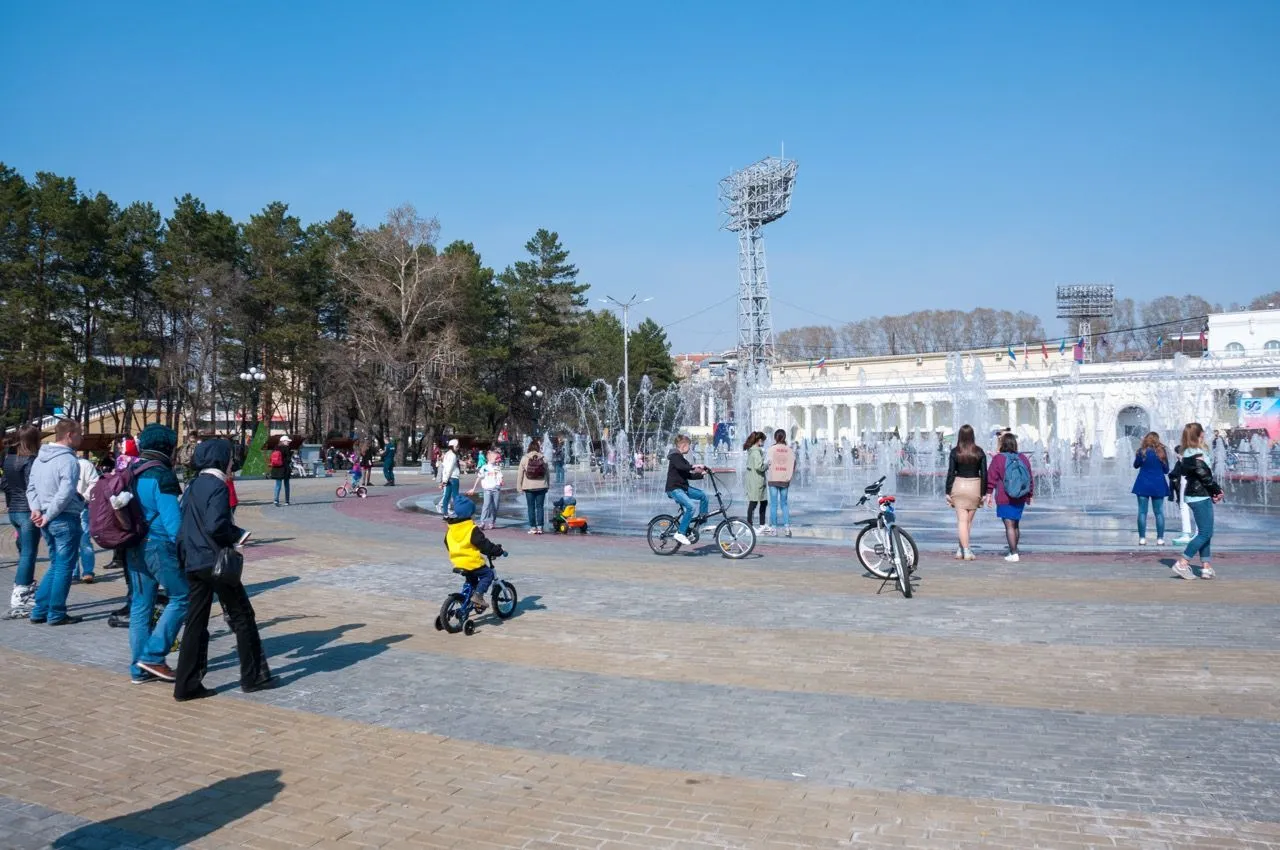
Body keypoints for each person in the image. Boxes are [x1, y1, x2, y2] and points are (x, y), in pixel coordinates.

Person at [173, 439, 272, 701]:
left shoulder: (193, 485)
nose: (232, 463)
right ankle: (253, 677)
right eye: (229, 458)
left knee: (195, 622)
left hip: (193, 561)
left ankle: (185, 685)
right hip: (214, 562)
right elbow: (216, 525)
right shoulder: (217, 486)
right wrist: (238, 535)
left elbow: (184, 527)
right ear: (220, 460)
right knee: (243, 616)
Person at [123, 424, 188, 682]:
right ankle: (153, 656)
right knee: (182, 597)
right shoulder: (162, 475)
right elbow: (174, 523)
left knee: (141, 605)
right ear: (167, 448)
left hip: (133, 543)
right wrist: (186, 550)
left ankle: (139, 668)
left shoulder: (131, 471)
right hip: (158, 545)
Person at [26, 418, 86, 625]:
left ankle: (40, 610)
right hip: (62, 517)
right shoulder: (68, 460)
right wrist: (47, 514)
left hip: (45, 515)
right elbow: (66, 492)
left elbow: (31, 487)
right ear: (70, 435)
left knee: (56, 564)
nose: (81, 437)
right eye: (79, 433)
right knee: (64, 567)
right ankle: (56, 612)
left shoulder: (40, 458)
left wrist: (37, 510)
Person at [1173, 422, 1224, 580]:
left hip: (1198, 494)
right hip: (1199, 495)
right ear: (1199, 434)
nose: (1204, 433)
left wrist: (1212, 491)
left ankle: (1206, 567)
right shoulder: (1195, 453)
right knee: (1205, 533)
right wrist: (1217, 490)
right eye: (1202, 431)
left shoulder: (1188, 451)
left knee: (1205, 532)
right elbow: (1205, 476)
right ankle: (1182, 562)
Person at [4, 424, 42, 619]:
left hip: (15, 511)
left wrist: (10, 505)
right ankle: (21, 594)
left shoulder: (9, 459)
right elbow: (32, 486)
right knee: (29, 553)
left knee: (23, 552)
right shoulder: (31, 461)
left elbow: (5, 485)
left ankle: (23, 587)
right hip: (28, 510)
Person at [444, 492, 505, 614]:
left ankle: (465, 600)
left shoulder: (451, 529)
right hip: (472, 562)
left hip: (457, 561)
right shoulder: (471, 529)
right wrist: (497, 551)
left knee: (471, 581)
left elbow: (447, 543)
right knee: (488, 574)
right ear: (468, 513)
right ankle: (478, 596)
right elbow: (484, 545)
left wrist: (458, 552)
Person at [987, 432, 1034, 563]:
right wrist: (1030, 494)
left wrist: (988, 493)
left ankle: (1013, 553)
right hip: (1020, 496)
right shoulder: (1023, 458)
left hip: (1004, 496)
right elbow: (1029, 477)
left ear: (1002, 444)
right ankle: (1014, 550)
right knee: (1016, 524)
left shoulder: (999, 459)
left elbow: (991, 477)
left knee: (1009, 525)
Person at [945, 424, 989, 560]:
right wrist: (984, 492)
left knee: (962, 522)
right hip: (975, 486)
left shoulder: (955, 452)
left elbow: (951, 472)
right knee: (968, 522)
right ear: (972, 436)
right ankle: (964, 549)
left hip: (959, 486)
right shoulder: (979, 452)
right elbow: (984, 473)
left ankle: (962, 549)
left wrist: (947, 491)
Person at [665, 435, 708, 546]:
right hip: (674, 489)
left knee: (703, 496)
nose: (690, 448)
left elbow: (687, 475)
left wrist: (701, 475)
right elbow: (681, 467)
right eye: (689, 445)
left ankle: (702, 520)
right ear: (684, 445)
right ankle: (680, 533)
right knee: (691, 507)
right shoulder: (674, 455)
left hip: (683, 488)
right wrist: (695, 466)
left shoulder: (681, 458)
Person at [1132, 431, 1170, 545]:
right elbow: (1166, 470)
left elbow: (1135, 465)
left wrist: (1139, 456)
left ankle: (1142, 538)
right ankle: (1160, 539)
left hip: (1143, 484)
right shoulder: (1161, 452)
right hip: (1158, 485)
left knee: (1142, 512)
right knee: (1159, 512)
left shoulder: (1142, 452)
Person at [74, 451, 101, 584]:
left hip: (81, 506)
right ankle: (73, 572)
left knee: (84, 539)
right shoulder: (59, 462)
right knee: (70, 541)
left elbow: (95, 482)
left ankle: (88, 571)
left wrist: (83, 496)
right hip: (63, 508)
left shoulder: (84, 464)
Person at [765, 429, 795, 537]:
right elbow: (793, 464)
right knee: (784, 504)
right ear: (785, 437)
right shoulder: (789, 450)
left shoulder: (771, 449)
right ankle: (787, 528)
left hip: (773, 478)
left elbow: (766, 463)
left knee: (773, 504)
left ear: (775, 437)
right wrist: (789, 475)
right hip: (785, 479)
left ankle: (774, 528)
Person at [516, 439, 550, 534]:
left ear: (529, 447)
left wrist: (519, 487)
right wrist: (547, 485)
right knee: (540, 507)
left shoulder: (524, 458)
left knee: (531, 507)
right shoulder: (543, 458)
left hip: (529, 486)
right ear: (538, 448)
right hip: (541, 486)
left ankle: (533, 527)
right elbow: (547, 473)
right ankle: (540, 527)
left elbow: (520, 474)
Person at [1168, 445, 1197, 545]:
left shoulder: (1185, 461)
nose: (1177, 455)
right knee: (1190, 507)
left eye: (1178, 453)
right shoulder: (1187, 459)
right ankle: (1191, 533)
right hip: (1189, 486)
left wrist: (1182, 460)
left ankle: (1188, 534)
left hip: (1187, 486)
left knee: (1185, 507)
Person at [469, 449, 503, 530]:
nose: (497, 459)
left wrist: (501, 481)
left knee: (495, 506)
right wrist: (473, 488)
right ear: (490, 459)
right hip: (487, 489)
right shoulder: (485, 468)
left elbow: (500, 477)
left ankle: (492, 522)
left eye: (497, 458)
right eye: (495, 458)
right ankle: (482, 522)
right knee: (486, 505)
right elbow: (479, 477)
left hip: (496, 489)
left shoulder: (497, 468)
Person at [743, 431, 768, 531]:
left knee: (758, 502)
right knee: (756, 503)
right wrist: (767, 464)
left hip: (752, 479)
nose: (764, 443)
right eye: (763, 440)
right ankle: (752, 525)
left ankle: (754, 524)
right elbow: (759, 467)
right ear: (759, 440)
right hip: (757, 480)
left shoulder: (751, 450)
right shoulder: (756, 452)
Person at [439, 439, 461, 516]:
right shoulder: (453, 455)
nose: (458, 448)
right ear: (453, 446)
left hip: (448, 478)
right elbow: (449, 468)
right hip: (453, 478)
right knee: (455, 496)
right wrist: (445, 480)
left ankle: (445, 514)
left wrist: (444, 479)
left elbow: (445, 468)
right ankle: (457, 513)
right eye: (457, 446)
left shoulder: (447, 454)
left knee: (447, 496)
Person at [269, 435, 293, 507]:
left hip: (276, 468)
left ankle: (276, 500)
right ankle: (287, 501)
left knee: (277, 485)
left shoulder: (275, 448)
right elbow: (288, 460)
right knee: (286, 485)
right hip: (284, 468)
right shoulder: (287, 448)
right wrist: (290, 454)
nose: (288, 442)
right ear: (283, 441)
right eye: (287, 441)